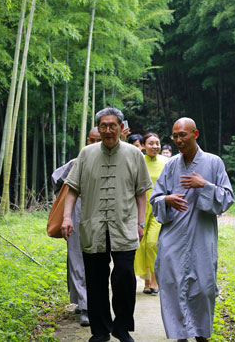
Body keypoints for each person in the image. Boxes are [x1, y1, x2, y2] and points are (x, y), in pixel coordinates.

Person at [61, 107, 153, 342]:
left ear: (122, 128)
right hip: (93, 226)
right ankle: (100, 331)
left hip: (124, 226)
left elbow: (141, 192)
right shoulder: (86, 153)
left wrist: (141, 222)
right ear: (99, 129)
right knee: (95, 279)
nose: (108, 130)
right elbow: (72, 188)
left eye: (113, 125)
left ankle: (121, 328)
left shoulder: (134, 154)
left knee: (124, 277)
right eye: (104, 126)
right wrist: (67, 217)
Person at [150, 117, 235, 342]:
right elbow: (155, 199)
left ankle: (201, 334)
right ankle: (180, 335)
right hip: (173, 237)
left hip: (201, 236)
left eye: (183, 135)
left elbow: (227, 198)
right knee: (172, 286)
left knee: (204, 287)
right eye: (175, 136)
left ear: (195, 134)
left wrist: (204, 186)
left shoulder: (214, 162)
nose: (178, 140)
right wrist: (166, 199)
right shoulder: (171, 165)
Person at [51, 127, 101, 327]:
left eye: (100, 140)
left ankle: (88, 302)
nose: (96, 143)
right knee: (77, 260)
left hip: (100, 218)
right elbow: (57, 179)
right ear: (88, 139)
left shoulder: (110, 163)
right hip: (75, 217)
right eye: (93, 139)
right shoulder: (76, 162)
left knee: (97, 261)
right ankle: (85, 306)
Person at [134, 132, 167, 294]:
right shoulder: (138, 160)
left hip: (159, 208)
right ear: (143, 145)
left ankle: (155, 280)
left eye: (157, 143)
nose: (155, 146)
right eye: (151, 143)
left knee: (152, 243)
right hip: (140, 208)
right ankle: (146, 282)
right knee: (140, 245)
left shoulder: (166, 162)